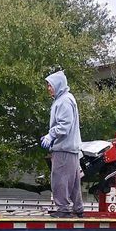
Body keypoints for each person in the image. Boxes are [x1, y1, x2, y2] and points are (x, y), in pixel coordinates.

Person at [40, 70, 84, 218]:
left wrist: (50, 136)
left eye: (50, 85)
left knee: (60, 179)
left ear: (58, 84)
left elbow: (64, 125)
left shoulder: (63, 101)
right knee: (73, 181)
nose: (48, 88)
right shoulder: (65, 99)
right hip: (71, 148)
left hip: (64, 148)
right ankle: (78, 208)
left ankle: (63, 209)